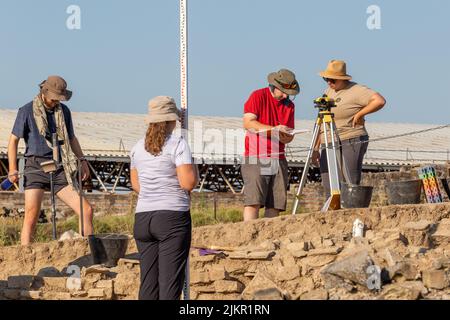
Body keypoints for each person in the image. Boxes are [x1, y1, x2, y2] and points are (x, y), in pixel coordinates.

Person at [7, 76, 94, 245]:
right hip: (35, 166)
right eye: (54, 98)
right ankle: (25, 258)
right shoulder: (26, 111)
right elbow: (13, 141)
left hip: (60, 167)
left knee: (87, 210)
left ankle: (88, 253)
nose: (56, 102)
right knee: (31, 217)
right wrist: (12, 168)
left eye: (59, 99)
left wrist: (82, 160)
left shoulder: (64, 112)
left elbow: (72, 138)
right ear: (44, 92)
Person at [130, 96, 198, 300]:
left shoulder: (137, 148)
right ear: (172, 120)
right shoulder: (178, 144)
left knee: (148, 284)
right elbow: (187, 183)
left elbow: (136, 186)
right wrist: (193, 166)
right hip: (172, 216)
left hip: (143, 218)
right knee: (170, 284)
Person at [313, 60, 386, 196]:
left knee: (349, 181)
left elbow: (379, 101)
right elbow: (322, 119)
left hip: (349, 138)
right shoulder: (328, 91)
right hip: (328, 141)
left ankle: (352, 211)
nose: (329, 82)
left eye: (333, 79)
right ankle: (332, 212)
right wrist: (316, 148)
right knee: (329, 181)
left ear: (342, 78)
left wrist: (360, 113)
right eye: (326, 79)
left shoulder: (357, 90)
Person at [242, 69, 300, 221]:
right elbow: (248, 123)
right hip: (256, 156)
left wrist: (287, 136)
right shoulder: (257, 96)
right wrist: (274, 130)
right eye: (284, 91)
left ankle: (268, 238)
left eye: (289, 92)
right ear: (274, 86)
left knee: (275, 203)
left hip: (278, 157)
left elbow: (287, 137)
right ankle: (249, 234)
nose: (287, 96)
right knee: (253, 201)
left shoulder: (289, 106)